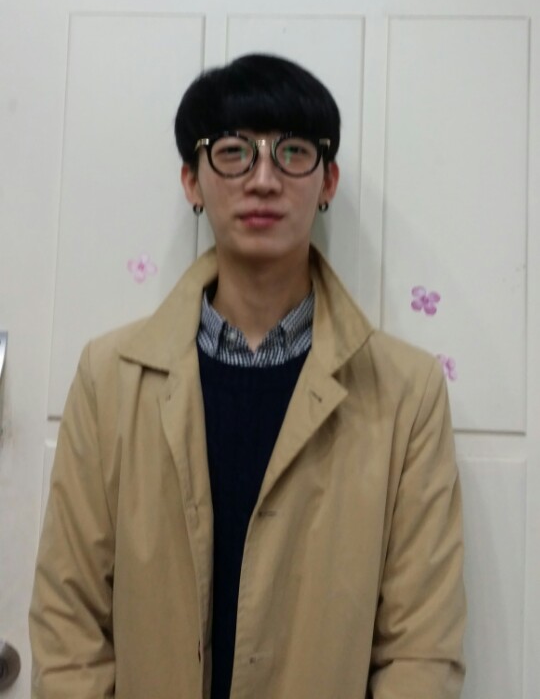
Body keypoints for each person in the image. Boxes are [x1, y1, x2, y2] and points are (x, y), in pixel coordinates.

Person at [29, 53, 466, 699]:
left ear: (327, 180)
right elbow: (68, 620)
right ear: (192, 181)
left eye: (293, 153)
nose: (263, 179)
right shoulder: (110, 378)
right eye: (233, 152)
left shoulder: (407, 392)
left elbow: (421, 647)